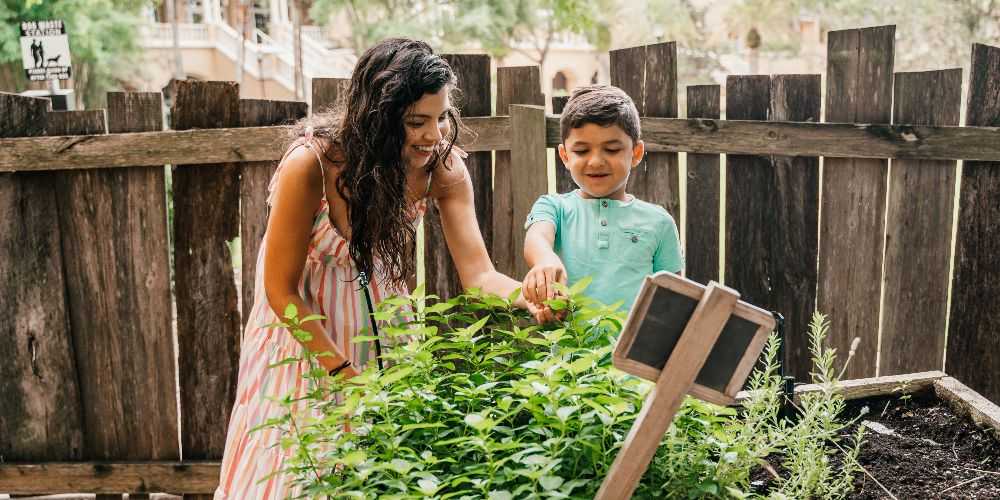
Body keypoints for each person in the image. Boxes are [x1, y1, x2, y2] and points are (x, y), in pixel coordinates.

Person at [215, 37, 540, 499]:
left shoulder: (440, 168)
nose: (433, 134)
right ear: (378, 116)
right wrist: (344, 375)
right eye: (415, 122)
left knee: (378, 474)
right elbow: (280, 290)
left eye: (441, 116)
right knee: (294, 472)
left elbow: (480, 275)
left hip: (379, 329)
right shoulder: (311, 164)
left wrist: (527, 295)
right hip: (304, 339)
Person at [522, 84, 683, 313]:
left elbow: (672, 300)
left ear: (635, 153)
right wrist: (545, 259)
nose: (596, 161)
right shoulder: (554, 207)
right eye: (581, 151)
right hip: (571, 348)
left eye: (612, 149)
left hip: (634, 349)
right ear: (564, 156)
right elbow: (537, 237)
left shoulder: (659, 222)